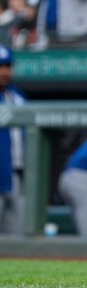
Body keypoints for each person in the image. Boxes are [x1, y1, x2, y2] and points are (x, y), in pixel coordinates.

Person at [0, 46, 27, 234]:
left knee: (17, 237)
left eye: (8, 66)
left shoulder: (18, 97)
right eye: (1, 66)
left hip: (17, 174)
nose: (4, 71)